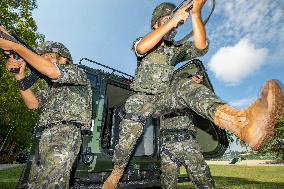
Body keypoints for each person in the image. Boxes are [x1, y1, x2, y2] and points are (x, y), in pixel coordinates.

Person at [101, 0, 283, 188]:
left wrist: (196, 13)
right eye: (165, 19)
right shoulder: (147, 39)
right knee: (125, 143)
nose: (175, 26)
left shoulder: (176, 49)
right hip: (141, 98)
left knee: (184, 85)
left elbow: (201, 47)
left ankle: (241, 123)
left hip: (163, 97)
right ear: (156, 23)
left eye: (176, 23)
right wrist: (171, 21)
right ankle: (117, 172)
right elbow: (141, 48)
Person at [0, 28, 92, 188]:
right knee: (34, 184)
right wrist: (19, 76)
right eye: (41, 57)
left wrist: (16, 47)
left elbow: (51, 71)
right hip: (44, 136)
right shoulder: (50, 88)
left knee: (50, 184)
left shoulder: (77, 72)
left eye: (49, 55)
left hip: (65, 133)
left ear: (64, 59)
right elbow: (32, 104)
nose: (44, 58)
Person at [159, 73, 215, 188]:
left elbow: (206, 106)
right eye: (196, 76)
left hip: (189, 144)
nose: (199, 79)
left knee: (205, 183)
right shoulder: (171, 92)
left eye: (201, 79)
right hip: (168, 146)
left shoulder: (195, 97)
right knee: (167, 185)